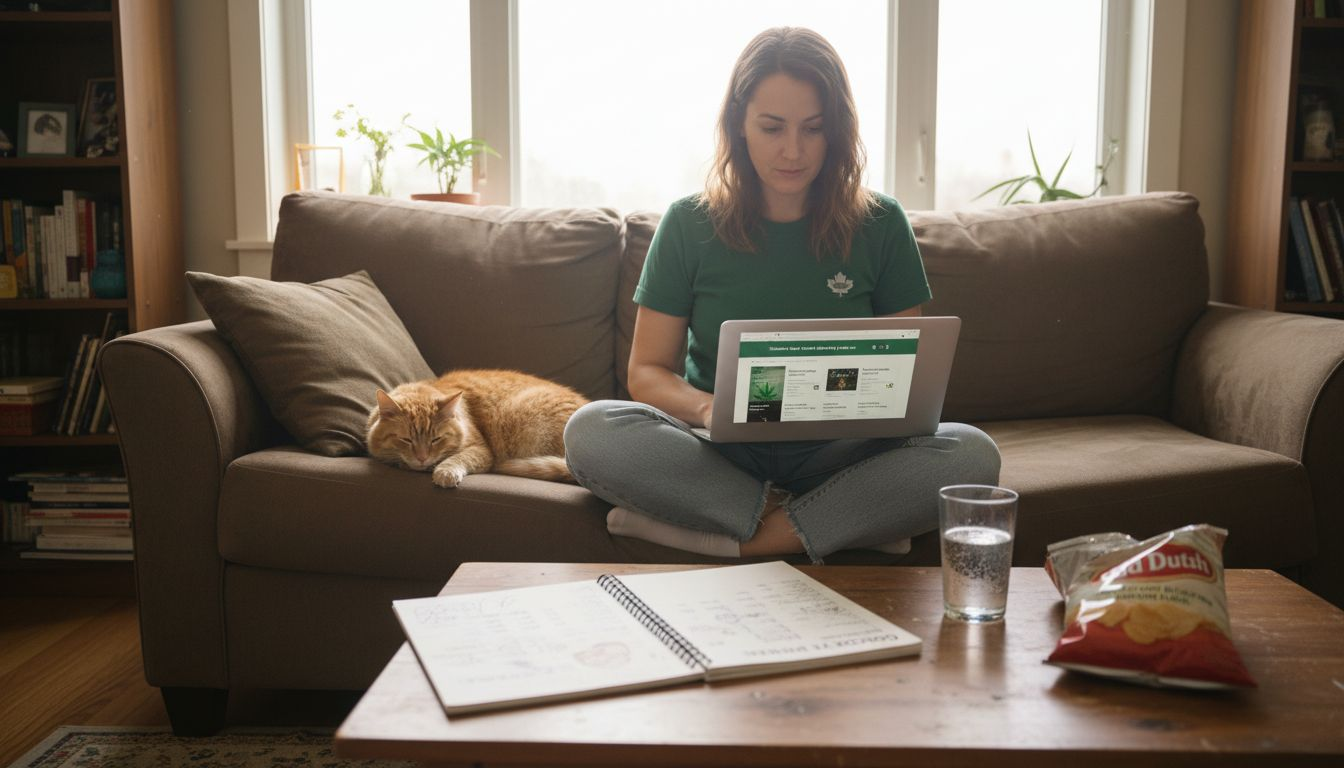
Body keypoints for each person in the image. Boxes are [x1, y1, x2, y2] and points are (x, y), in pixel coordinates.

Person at [563, 27, 1000, 562]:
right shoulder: (688, 223)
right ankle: (839, 523)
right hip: (719, 452)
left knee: (972, 453)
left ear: (836, 132)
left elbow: (905, 381)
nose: (793, 151)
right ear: (739, 125)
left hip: (841, 455)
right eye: (772, 128)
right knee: (592, 430)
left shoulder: (881, 223)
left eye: (813, 129)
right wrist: (707, 407)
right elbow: (646, 372)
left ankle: (742, 539)